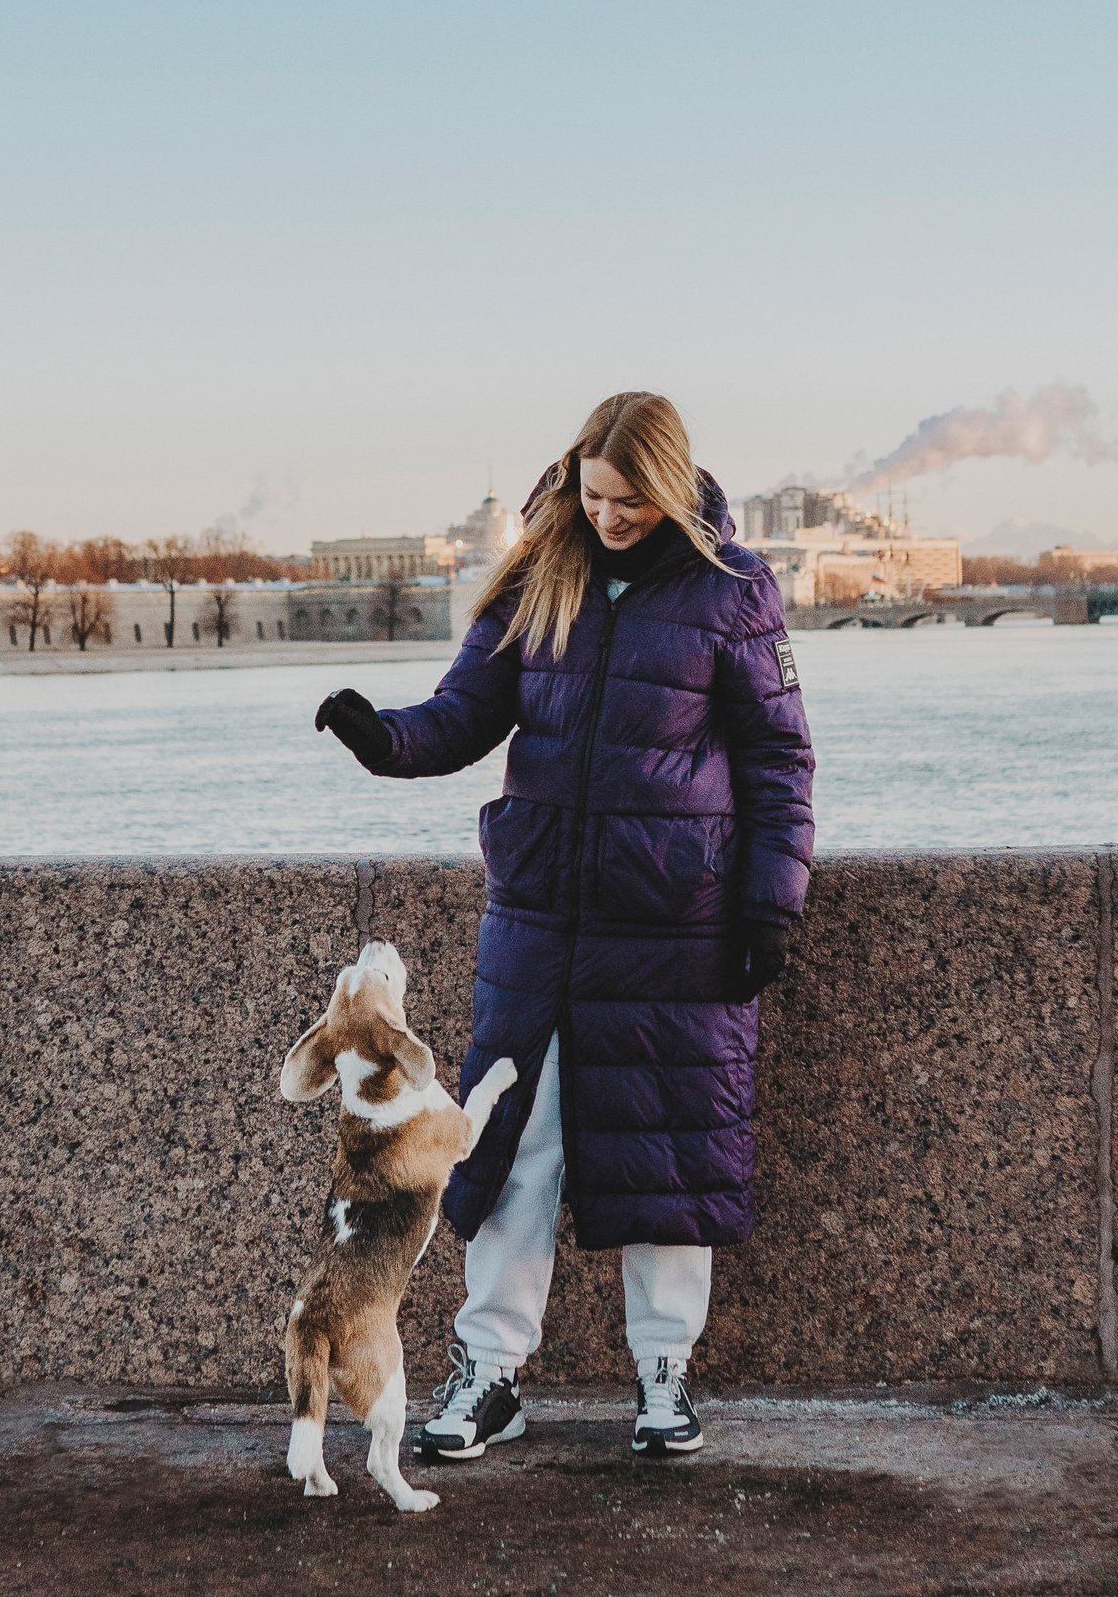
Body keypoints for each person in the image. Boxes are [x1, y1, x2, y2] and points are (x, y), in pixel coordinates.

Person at [313, 390, 814, 1460]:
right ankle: (489, 1375)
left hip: (675, 929)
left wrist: (770, 902)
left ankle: (664, 1376)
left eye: (631, 499)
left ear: (672, 488)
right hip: (538, 921)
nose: (611, 515)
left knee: (667, 1157)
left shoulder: (734, 591)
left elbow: (778, 761)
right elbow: (462, 715)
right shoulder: (544, 573)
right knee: (508, 1156)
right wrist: (381, 740)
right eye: (593, 495)